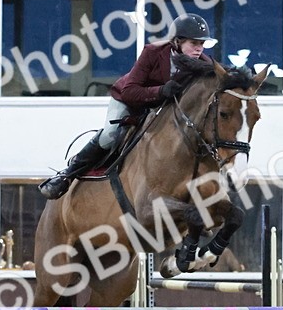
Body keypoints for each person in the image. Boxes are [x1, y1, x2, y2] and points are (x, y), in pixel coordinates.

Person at [38, 13, 215, 199]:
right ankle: (67, 175)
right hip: (128, 100)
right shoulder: (153, 52)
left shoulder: (203, 64)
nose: (199, 49)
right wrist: (161, 91)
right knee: (110, 135)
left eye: (202, 44)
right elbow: (130, 92)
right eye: (194, 44)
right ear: (177, 41)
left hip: (159, 110)